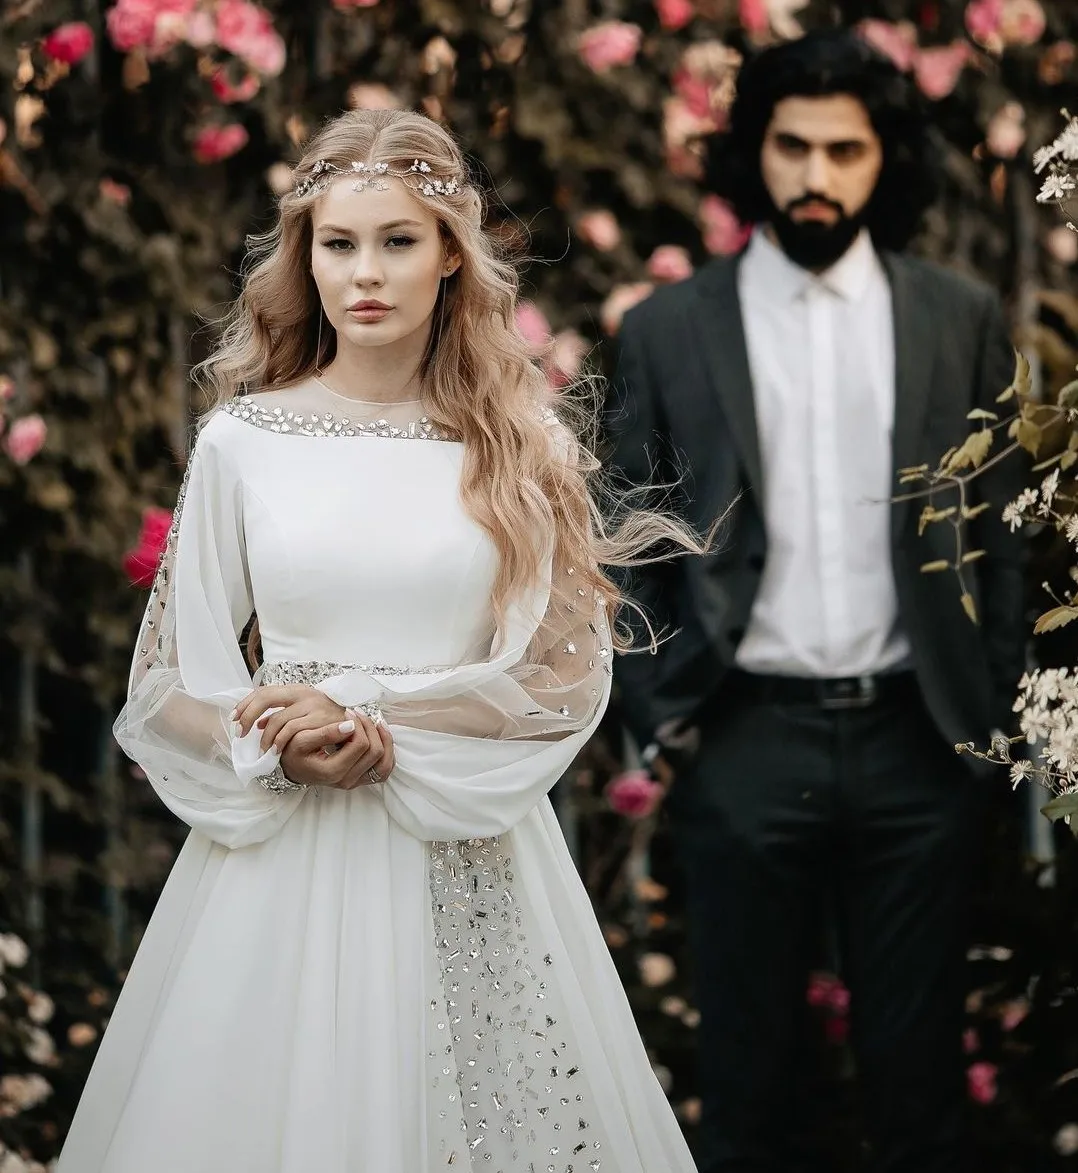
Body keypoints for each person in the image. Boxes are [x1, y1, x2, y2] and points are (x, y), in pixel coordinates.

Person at [57, 108, 702, 1173]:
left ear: (451, 255)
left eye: (398, 241)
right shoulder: (243, 443)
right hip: (278, 868)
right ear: (303, 255)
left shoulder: (519, 443)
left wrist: (376, 719)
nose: (367, 272)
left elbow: (558, 678)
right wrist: (277, 739)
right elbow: (167, 684)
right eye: (337, 242)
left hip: (467, 852)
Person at [606, 30, 1025, 1173]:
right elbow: (622, 547)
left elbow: (998, 534)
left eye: (845, 149)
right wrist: (665, 719)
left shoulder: (955, 316)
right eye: (791, 146)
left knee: (920, 1094)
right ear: (755, 154)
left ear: (884, 160)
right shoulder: (668, 330)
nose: (815, 175)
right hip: (742, 737)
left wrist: (984, 728)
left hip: (916, 740)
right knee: (749, 1094)